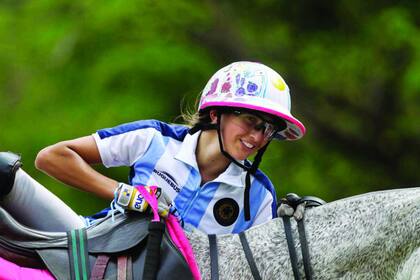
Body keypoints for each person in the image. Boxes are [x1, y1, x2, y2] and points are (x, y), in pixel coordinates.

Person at [0, 61, 306, 234]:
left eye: (268, 130)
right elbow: (51, 158)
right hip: (98, 251)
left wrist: (303, 230)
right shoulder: (153, 139)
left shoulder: (261, 196)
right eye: (251, 121)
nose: (257, 137)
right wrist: (125, 194)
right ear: (216, 113)